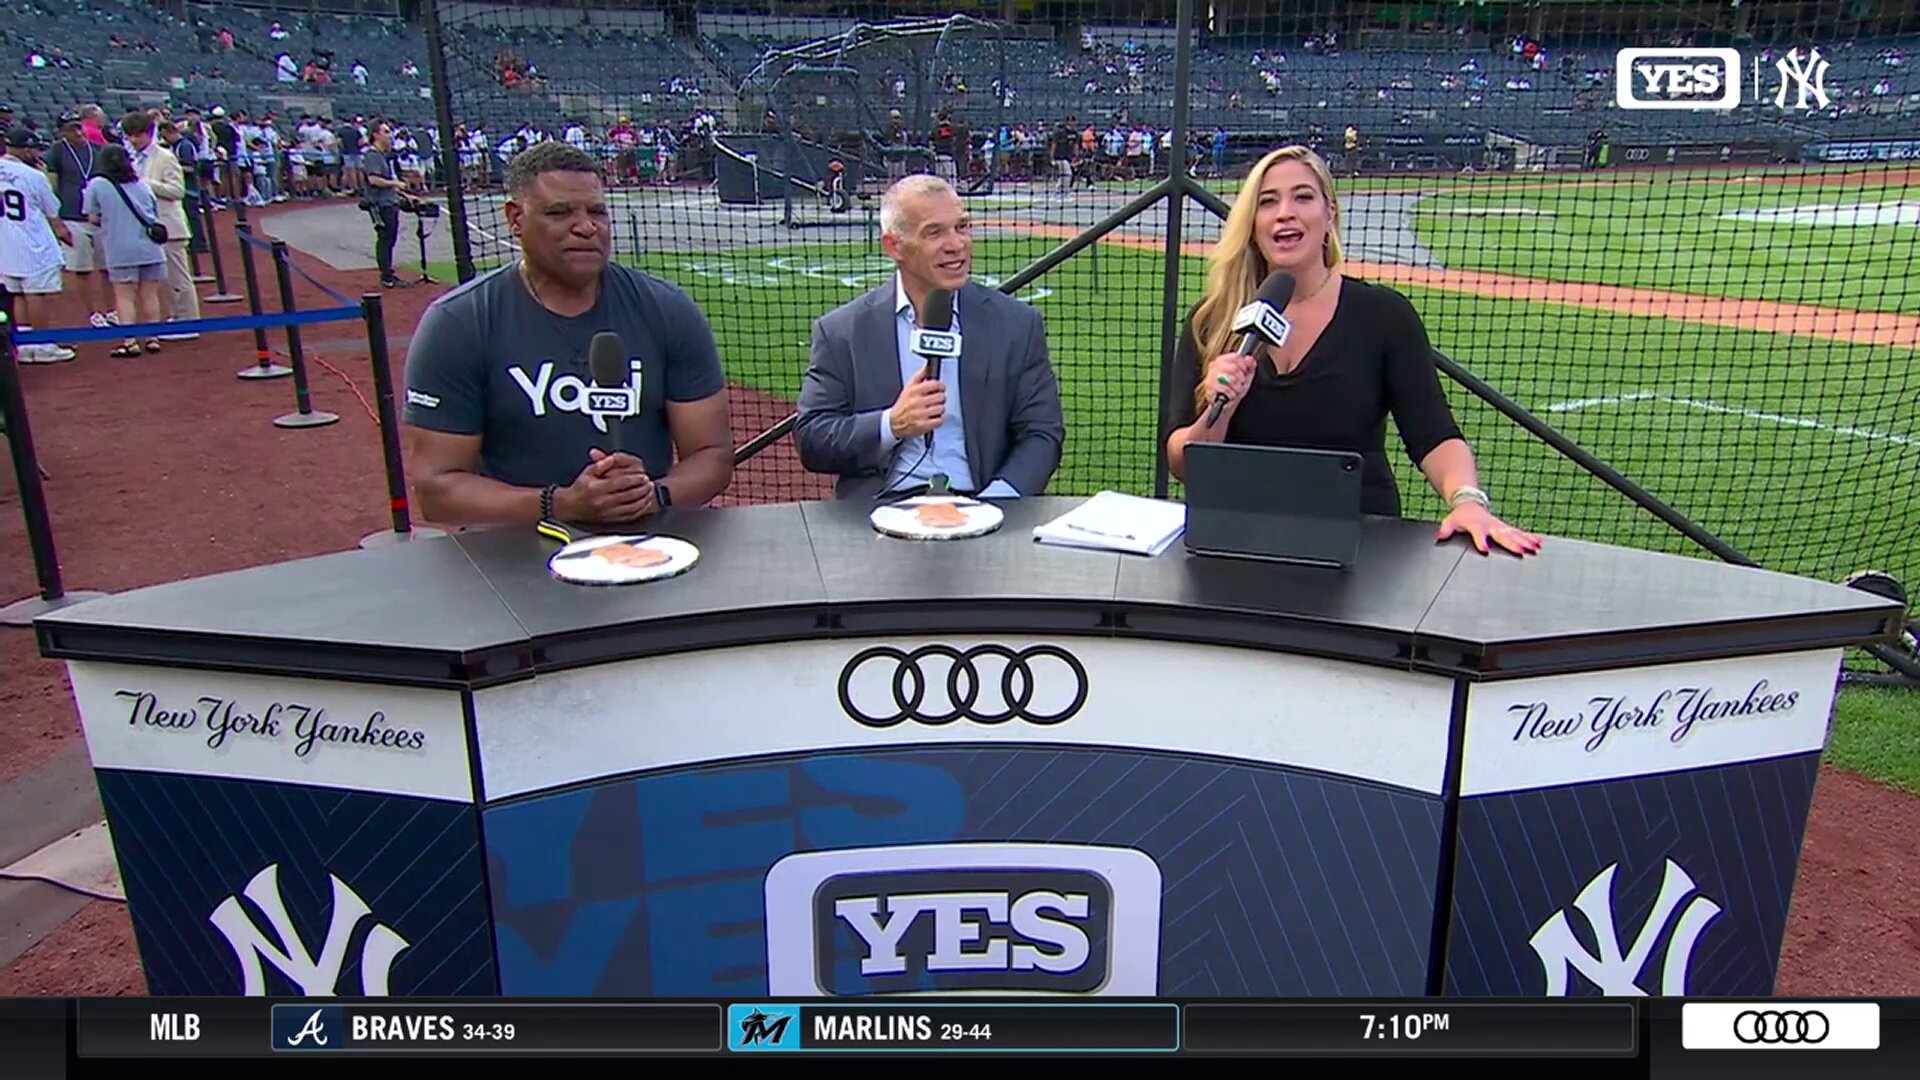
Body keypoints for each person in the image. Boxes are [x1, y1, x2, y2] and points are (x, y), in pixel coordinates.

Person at [1164, 145, 1539, 557]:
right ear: (1252, 223)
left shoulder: (1382, 315)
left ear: (1330, 214)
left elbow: (1434, 435)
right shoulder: (1213, 320)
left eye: (1303, 197)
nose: (1285, 212)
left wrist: (1469, 502)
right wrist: (1224, 406)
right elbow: (1183, 465)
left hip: (1359, 546)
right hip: (1239, 543)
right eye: (1267, 202)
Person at [402, 140, 732, 527]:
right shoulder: (459, 322)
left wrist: (652, 495)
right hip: (512, 553)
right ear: (515, 218)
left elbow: (712, 455)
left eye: (597, 212)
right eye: (560, 213)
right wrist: (558, 505)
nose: (586, 227)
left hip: (642, 545)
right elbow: (437, 490)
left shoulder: (667, 309)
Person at [795, 174, 1064, 500]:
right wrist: (892, 424)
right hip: (882, 511)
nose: (957, 244)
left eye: (962, 227)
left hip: (985, 504)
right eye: (934, 232)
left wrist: (996, 503)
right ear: (894, 246)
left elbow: (1042, 433)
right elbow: (813, 438)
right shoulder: (843, 331)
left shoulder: (1016, 325)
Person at [81, 143, 168, 358]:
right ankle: (152, 337)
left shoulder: (97, 184)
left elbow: (91, 216)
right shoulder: (141, 184)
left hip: (119, 247)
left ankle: (130, 340)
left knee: (124, 295)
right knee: (150, 294)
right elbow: (153, 211)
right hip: (149, 246)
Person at [0, 126, 77, 363]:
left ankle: (25, 345)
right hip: (33, 242)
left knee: (18, 294)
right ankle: (42, 343)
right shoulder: (33, 175)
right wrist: (64, 235)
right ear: (25, 149)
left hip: (5, 243)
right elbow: (52, 209)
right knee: (37, 294)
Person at [121, 112, 198, 339]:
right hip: (150, 227)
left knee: (178, 277)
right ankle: (176, 317)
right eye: (130, 136)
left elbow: (177, 191)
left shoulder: (165, 157)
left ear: (149, 134)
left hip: (169, 225)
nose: (133, 140)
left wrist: (143, 183)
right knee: (163, 278)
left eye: (138, 135)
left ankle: (188, 322)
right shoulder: (132, 159)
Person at [361, 121, 405, 288]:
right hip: (381, 203)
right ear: (376, 135)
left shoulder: (381, 155)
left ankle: (388, 273)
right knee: (386, 238)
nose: (389, 135)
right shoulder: (372, 155)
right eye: (386, 132)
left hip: (389, 201)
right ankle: (386, 276)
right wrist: (395, 184)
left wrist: (401, 192)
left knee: (390, 238)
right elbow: (374, 179)